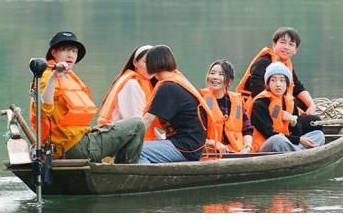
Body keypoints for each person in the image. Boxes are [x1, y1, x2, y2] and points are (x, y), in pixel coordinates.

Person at [29, 31, 144, 163]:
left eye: (74, 51)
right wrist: (54, 77)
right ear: (53, 52)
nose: (71, 55)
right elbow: (43, 109)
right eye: (65, 50)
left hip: (79, 140)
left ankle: (119, 168)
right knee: (137, 125)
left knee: (122, 128)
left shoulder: (68, 76)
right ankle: (125, 172)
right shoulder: (47, 76)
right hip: (73, 147)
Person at [138, 45, 218, 163]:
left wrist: (128, 142)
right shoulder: (174, 82)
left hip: (186, 147)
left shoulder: (168, 87)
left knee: (136, 151)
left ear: (153, 64)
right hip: (189, 145)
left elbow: (148, 119)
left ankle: (147, 175)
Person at [236, 27, 317, 115]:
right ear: (274, 44)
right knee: (309, 118)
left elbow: (297, 87)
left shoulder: (286, 65)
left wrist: (311, 104)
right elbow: (258, 90)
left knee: (304, 105)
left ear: (295, 50)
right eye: (282, 42)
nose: (286, 47)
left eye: (291, 44)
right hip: (256, 106)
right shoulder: (263, 62)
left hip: (277, 102)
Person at [247, 62, 324, 153]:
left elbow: (297, 133)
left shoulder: (290, 102)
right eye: (273, 80)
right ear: (268, 83)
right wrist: (299, 140)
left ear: (287, 84)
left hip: (287, 142)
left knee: (319, 135)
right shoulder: (260, 104)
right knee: (278, 140)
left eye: (282, 80)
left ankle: (296, 152)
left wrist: (293, 121)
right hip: (265, 145)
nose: (278, 84)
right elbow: (269, 134)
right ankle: (300, 153)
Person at [96, 44, 162, 140]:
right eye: (146, 62)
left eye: (154, 63)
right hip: (117, 140)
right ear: (135, 62)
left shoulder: (145, 83)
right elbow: (137, 123)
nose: (151, 67)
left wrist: (161, 138)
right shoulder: (132, 84)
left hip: (125, 136)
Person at [199, 60, 254, 156]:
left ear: (229, 81)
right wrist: (213, 143)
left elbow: (247, 129)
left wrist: (248, 146)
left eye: (221, 74)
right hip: (210, 154)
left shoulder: (236, 102)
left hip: (237, 153)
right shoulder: (201, 101)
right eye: (212, 73)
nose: (215, 77)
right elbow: (195, 134)